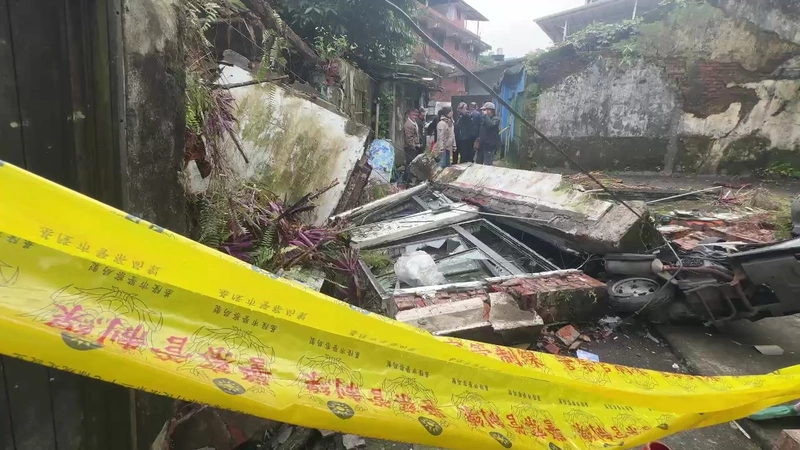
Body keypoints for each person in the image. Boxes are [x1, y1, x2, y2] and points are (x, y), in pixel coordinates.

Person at [476, 102, 501, 166]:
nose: (483, 112)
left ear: (490, 110)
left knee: (488, 164)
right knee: (478, 163)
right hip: (482, 145)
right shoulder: (484, 118)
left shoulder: (496, 119)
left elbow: (490, 125)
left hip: (489, 145)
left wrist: (485, 116)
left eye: (484, 110)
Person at [402, 108, 420, 184]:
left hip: (413, 146)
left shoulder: (414, 122)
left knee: (411, 163)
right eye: (413, 114)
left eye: (416, 115)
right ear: (410, 114)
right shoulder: (408, 124)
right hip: (409, 147)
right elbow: (409, 138)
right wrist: (413, 146)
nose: (415, 116)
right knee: (410, 163)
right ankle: (407, 179)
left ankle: (408, 178)